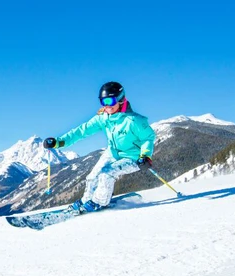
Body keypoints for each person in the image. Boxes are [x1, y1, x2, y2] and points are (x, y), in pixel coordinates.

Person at [43, 81, 156, 213]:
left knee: (107, 173)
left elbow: (148, 137)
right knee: (92, 177)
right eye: (103, 102)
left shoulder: (134, 120)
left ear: (120, 99)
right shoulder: (103, 118)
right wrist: (59, 142)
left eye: (110, 101)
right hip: (113, 153)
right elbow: (81, 131)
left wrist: (145, 156)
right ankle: (87, 200)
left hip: (134, 158)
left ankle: (99, 202)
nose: (107, 106)